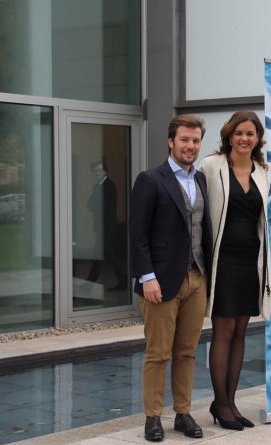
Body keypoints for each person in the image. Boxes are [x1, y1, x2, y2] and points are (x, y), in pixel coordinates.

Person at [130, 114, 212, 441]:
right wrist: (147, 277)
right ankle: (152, 417)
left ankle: (183, 413)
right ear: (170, 142)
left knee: (187, 352)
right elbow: (137, 234)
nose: (190, 146)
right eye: (184, 140)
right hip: (161, 281)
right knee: (158, 353)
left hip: (196, 278)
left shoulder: (201, 179)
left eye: (195, 141)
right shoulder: (150, 180)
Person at [200, 110, 271, 431]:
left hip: (250, 262)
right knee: (224, 331)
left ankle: (229, 402)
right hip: (223, 261)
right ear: (229, 136)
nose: (244, 138)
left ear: (257, 139)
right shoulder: (211, 166)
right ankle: (221, 403)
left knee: (241, 331)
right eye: (239, 133)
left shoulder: (263, 172)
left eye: (250, 134)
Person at [86, 161, 127, 290]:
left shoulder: (109, 185)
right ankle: (91, 281)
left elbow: (100, 206)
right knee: (101, 255)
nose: (97, 173)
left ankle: (91, 282)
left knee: (107, 254)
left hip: (107, 227)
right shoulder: (97, 186)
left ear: (105, 171)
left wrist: (96, 205)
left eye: (99, 170)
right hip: (101, 227)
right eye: (95, 171)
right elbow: (90, 205)